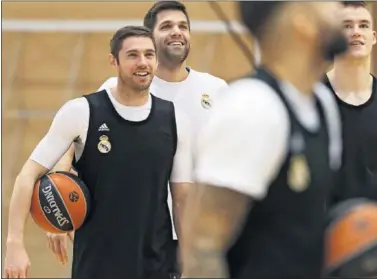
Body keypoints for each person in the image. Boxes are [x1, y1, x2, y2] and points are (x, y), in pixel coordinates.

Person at [46, 0, 227, 268]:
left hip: (193, 234)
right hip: (130, 234)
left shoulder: (216, 90)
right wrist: (59, 211)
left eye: (183, 26)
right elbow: (73, 145)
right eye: (166, 26)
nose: (177, 31)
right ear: (149, 40)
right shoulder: (117, 88)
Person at [4, 26, 193, 279]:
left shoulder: (175, 119)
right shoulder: (81, 112)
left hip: (157, 265)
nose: (142, 62)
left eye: (149, 55)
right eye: (132, 55)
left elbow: (182, 199)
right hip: (96, 266)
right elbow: (27, 176)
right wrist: (14, 244)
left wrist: (193, 259)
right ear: (113, 61)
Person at [180, 2, 349, 279]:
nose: (340, 9)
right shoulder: (252, 106)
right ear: (301, 22)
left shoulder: (322, 103)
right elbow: (201, 249)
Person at [324, 1, 377, 206]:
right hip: (327, 227)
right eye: (347, 26)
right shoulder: (316, 100)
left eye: (363, 25)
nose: (356, 32)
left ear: (373, 37)